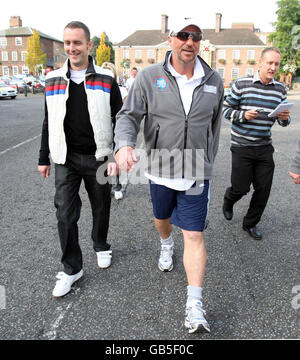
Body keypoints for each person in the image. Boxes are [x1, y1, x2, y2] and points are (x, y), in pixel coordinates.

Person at [114, 18, 224, 333]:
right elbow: (128, 116)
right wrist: (124, 145)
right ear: (170, 38)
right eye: (183, 35)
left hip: (196, 172)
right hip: (161, 168)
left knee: (193, 234)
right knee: (162, 218)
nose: (190, 42)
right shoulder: (149, 77)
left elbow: (215, 127)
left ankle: (194, 305)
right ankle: (165, 243)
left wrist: (208, 163)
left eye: (196, 37)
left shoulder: (214, 81)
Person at [38, 21, 123, 298]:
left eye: (77, 42)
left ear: (88, 45)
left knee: (101, 206)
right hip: (65, 158)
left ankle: (101, 244)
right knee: (64, 214)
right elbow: (48, 119)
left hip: (98, 156)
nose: (72, 48)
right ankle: (72, 268)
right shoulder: (52, 79)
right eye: (68, 43)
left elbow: (121, 119)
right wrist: (44, 157)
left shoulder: (106, 79)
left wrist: (117, 152)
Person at [222, 47, 291, 240]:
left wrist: (285, 118)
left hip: (264, 147)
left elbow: (284, 121)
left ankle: (250, 223)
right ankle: (229, 199)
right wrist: (242, 115)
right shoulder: (241, 84)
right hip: (241, 146)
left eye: (276, 64)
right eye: (269, 63)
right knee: (241, 188)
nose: (273, 67)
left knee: (263, 189)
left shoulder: (280, 89)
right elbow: (225, 109)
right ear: (260, 63)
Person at [101, 62, 127, 200]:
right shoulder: (96, 88)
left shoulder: (121, 90)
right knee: (101, 160)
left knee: (114, 159)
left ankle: (117, 186)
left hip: (115, 129)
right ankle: (103, 186)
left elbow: (124, 112)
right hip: (100, 131)